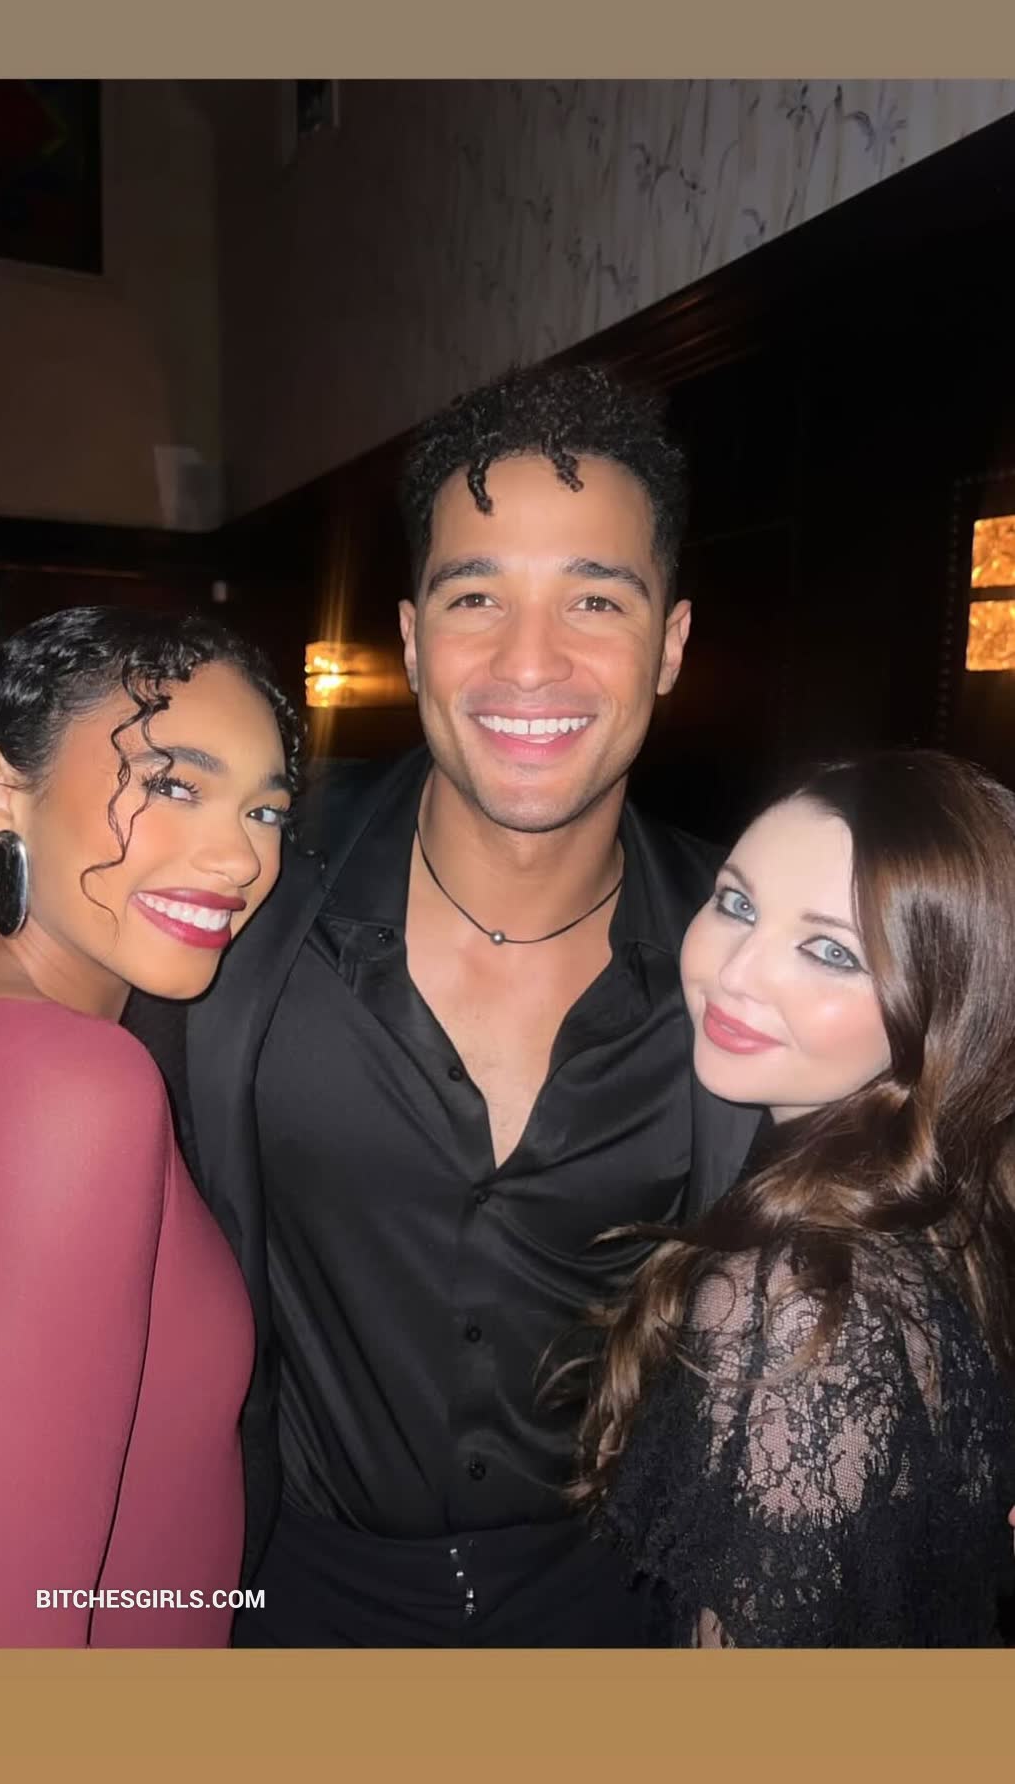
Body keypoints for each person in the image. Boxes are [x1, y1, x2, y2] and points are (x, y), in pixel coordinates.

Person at [126, 363, 761, 1647]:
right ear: (412, 639)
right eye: (477, 596)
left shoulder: (761, 959)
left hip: (619, 1620)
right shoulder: (241, 890)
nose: (530, 661)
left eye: (595, 597)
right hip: (276, 1604)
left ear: (671, 645)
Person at [573, 750, 1015, 1647]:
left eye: (829, 951)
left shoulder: (800, 1299)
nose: (735, 973)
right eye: (735, 904)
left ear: (945, 1001)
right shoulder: (956, 1202)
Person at [0, 606, 298, 1646]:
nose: (238, 859)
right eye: (173, 785)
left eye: (266, 811)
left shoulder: (13, 1048)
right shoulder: (64, 1088)